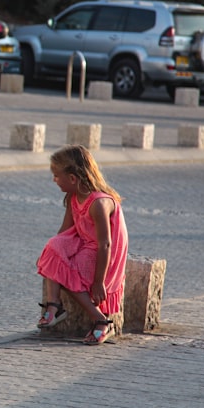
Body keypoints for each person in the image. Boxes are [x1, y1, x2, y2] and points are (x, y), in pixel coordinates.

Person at [35, 144, 128, 345]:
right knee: (53, 249)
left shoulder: (99, 203)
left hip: (102, 256)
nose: (54, 180)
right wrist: (50, 255)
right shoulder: (73, 198)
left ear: (72, 179)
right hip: (84, 246)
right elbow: (65, 233)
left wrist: (99, 282)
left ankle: (101, 320)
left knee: (70, 273)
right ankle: (54, 305)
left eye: (56, 175)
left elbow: (105, 244)